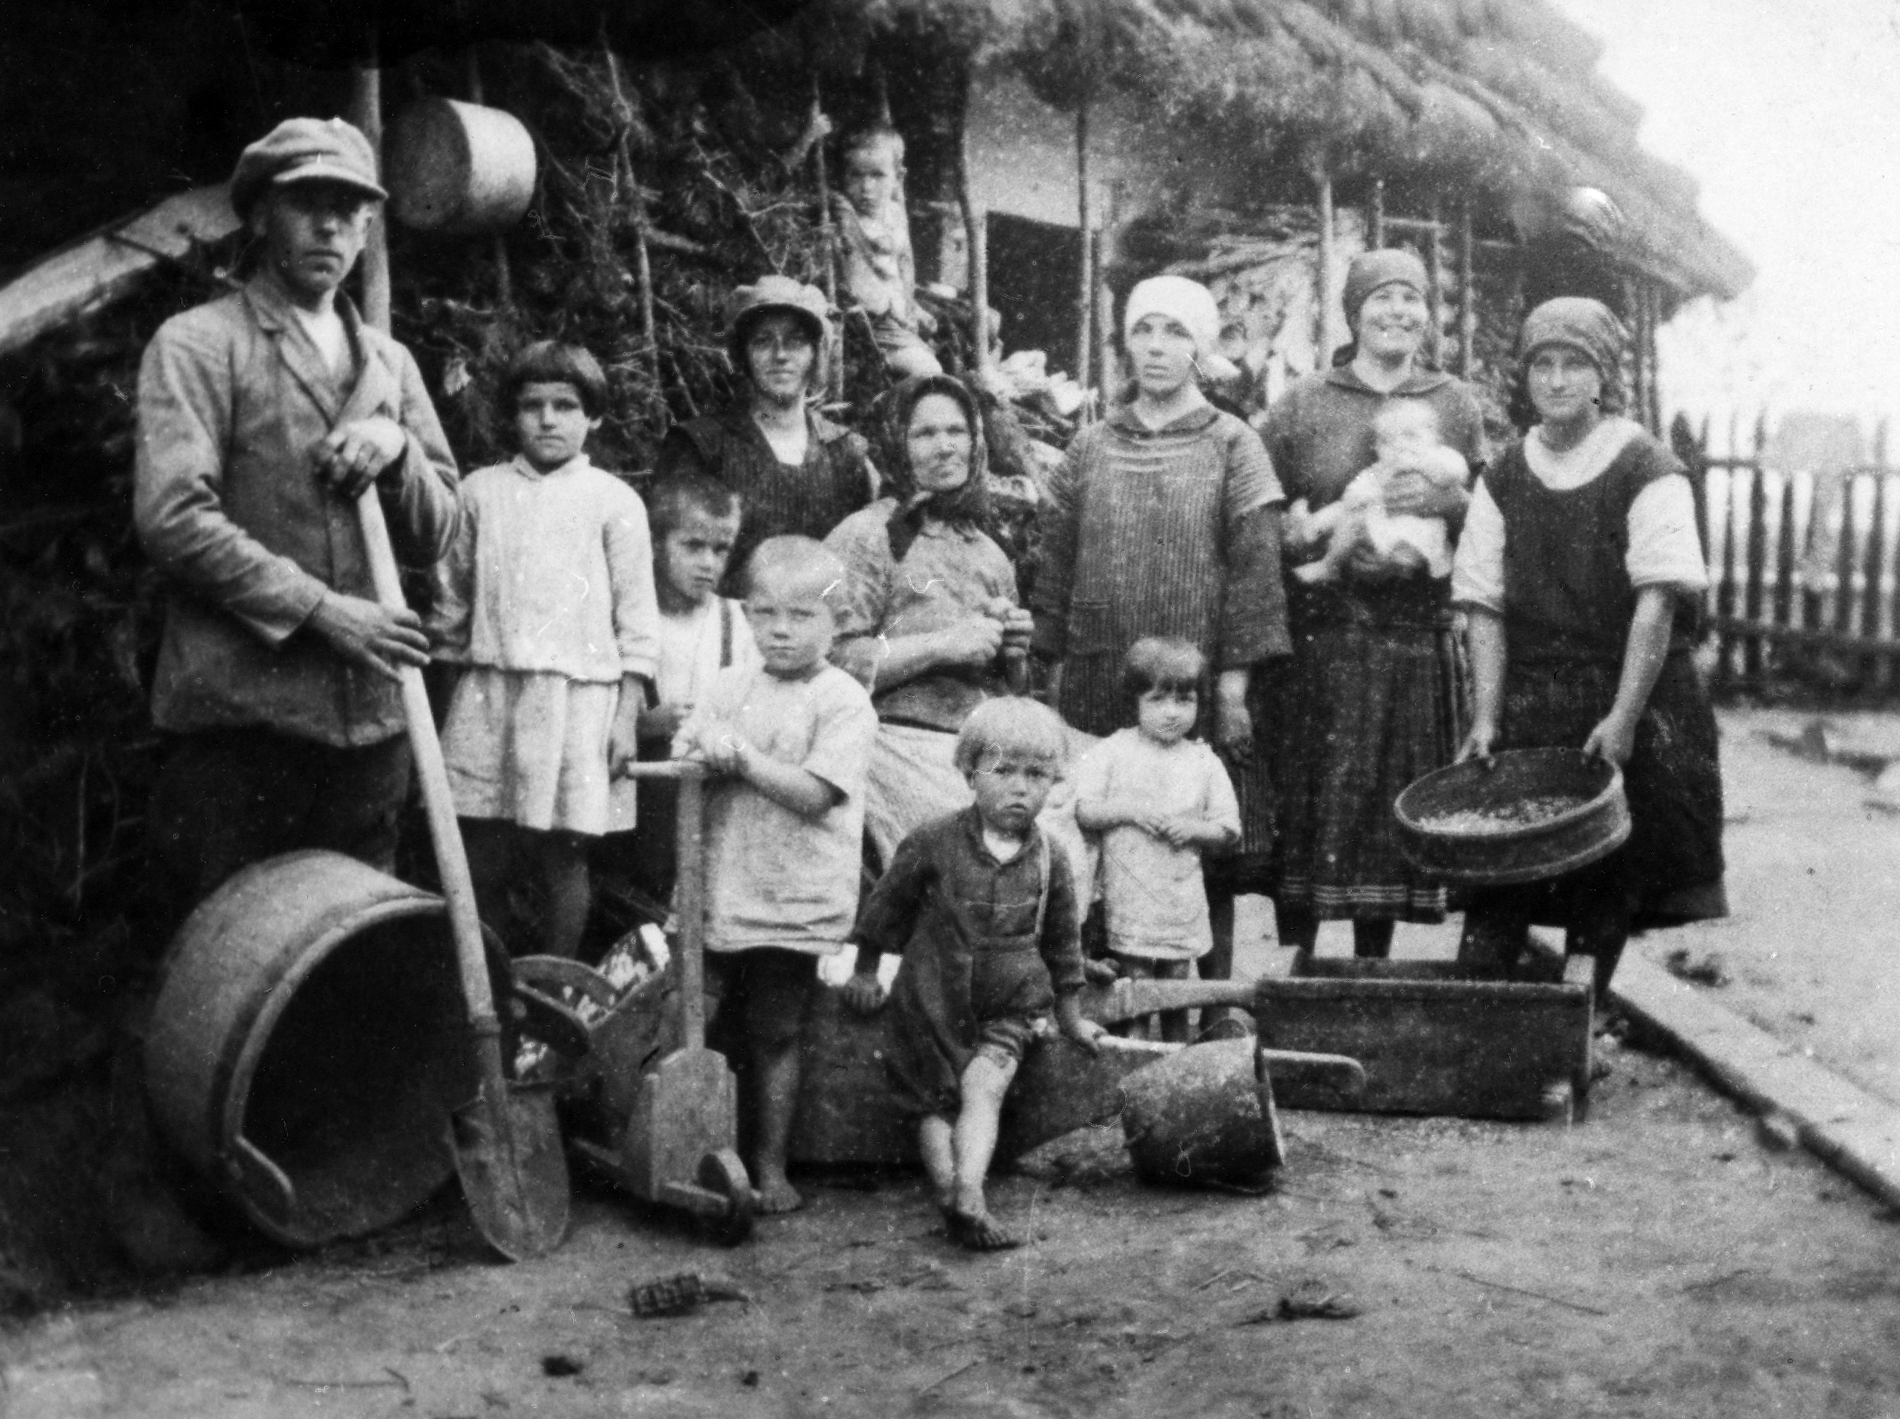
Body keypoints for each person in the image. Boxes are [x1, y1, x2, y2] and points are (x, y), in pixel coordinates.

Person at [135, 116, 459, 906]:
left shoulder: (390, 362)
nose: (330, 225)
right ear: (258, 216)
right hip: (248, 725)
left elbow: (441, 528)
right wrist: (321, 610)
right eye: (307, 202)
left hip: (373, 727)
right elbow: (173, 516)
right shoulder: (200, 345)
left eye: (350, 210)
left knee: (358, 957)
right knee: (243, 968)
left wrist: (398, 451)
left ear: (369, 227)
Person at [1032, 275, 1288, 1035]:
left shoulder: (1233, 444)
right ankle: (1100, 1006)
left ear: (1200, 346)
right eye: (1144, 330)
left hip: (1191, 679)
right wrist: (1052, 672)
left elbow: (1254, 574)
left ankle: (1210, 1008)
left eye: (1175, 332)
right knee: (1100, 838)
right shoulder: (1091, 444)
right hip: (1099, 671)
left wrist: (1233, 690)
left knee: (1194, 835)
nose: (1157, 347)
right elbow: (1054, 563)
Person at [1451, 297, 1726, 1003]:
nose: (1558, 379)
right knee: (1504, 866)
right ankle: (1487, 1023)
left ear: (1603, 376)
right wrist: (1486, 717)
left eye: (1575, 364)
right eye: (1543, 363)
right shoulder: (1505, 473)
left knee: (1606, 873)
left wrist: (1625, 718)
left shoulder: (1646, 466)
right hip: (1535, 694)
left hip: (1629, 689)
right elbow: (1483, 603)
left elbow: (1658, 602)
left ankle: (1580, 1019)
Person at [1262, 249, 1486, 959]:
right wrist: (1295, 536)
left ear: (1427, 312)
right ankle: (1296, 974)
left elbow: (1486, 517)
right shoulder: (1306, 400)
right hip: (1324, 640)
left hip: (1414, 636)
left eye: (1411, 299)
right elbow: (1262, 505)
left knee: (1387, 818)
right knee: (1313, 812)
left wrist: (1453, 501)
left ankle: (1369, 977)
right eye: (1381, 298)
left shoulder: (1454, 401)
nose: (1397, 311)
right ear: (1352, 311)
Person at [840, 698, 1103, 1251]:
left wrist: (1073, 1018)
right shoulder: (933, 842)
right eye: (1003, 771)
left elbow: (1062, 947)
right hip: (932, 999)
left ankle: (971, 1191)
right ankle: (949, 1193)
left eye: (1036, 775)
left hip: (1010, 1003)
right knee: (937, 1104)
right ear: (969, 773)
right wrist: (865, 971)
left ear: (1054, 781)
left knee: (984, 1090)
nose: (1020, 788)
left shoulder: (1051, 857)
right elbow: (886, 910)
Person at [426, 342, 658, 959]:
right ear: (512, 416)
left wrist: (626, 717)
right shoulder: (480, 492)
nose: (549, 420)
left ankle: (554, 978)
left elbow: (637, 620)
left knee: (564, 851)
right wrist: (449, 704)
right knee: (483, 849)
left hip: (578, 701)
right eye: (533, 406)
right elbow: (450, 606)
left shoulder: (615, 501)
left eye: (566, 405)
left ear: (595, 417)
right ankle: (491, 981)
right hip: (490, 694)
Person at [676, 536, 879, 1214]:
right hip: (724, 885)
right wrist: (696, 748)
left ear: (838, 620)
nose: (781, 630)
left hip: (791, 897)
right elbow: (692, 758)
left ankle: (770, 1164)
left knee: (777, 1028)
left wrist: (741, 758)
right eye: (765, 614)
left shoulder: (844, 700)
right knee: (699, 1022)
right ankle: (692, 1150)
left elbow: (817, 793)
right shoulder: (730, 686)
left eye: (801, 615)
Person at [824, 373, 1034, 864]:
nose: (945, 447)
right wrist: (943, 645)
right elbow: (830, 663)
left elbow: (1011, 693)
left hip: (981, 751)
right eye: (925, 434)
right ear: (897, 444)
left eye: (956, 432)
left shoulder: (988, 552)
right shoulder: (867, 536)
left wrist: (1014, 655)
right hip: (894, 747)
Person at [652, 276, 878, 591]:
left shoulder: (846, 452)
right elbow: (669, 567)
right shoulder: (702, 446)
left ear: (816, 353)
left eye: (796, 341)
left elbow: (870, 566)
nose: (780, 354)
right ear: (742, 355)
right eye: (763, 341)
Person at [1073, 638, 1241, 1043]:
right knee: (1135, 986)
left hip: (1178, 901)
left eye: (1185, 700)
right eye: (1158, 699)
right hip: (1130, 897)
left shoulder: (1203, 761)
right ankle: (1132, 1061)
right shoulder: (1112, 752)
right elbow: (1085, 810)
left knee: (1176, 989)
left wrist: (1194, 828)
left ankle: (1173, 1055)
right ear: (1135, 700)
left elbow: (1228, 828)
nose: (1172, 712)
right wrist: (1128, 809)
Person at [623, 473, 759, 903]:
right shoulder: (633, 621)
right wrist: (645, 724)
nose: (708, 563)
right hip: (642, 799)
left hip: (714, 791)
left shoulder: (737, 621)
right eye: (693, 546)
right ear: (658, 542)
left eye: (721, 550)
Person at [1292, 399, 1470, 585]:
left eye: (1411, 435)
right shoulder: (1380, 470)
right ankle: (1322, 551)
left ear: (1435, 440)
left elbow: (1458, 471)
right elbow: (1353, 494)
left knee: (1401, 552)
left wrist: (1425, 464)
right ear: (1376, 448)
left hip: (1416, 538)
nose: (1399, 445)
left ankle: (1321, 546)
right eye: (1386, 440)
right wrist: (1361, 496)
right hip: (1379, 531)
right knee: (1346, 513)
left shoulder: (1438, 458)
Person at [830, 124, 942, 380]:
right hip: (867, 323)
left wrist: (912, 307)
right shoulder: (844, 215)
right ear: (842, 176)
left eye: (877, 175)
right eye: (855, 175)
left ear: (898, 178)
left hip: (896, 318)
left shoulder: (894, 213)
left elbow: (899, 264)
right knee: (930, 373)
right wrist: (849, 226)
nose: (866, 187)